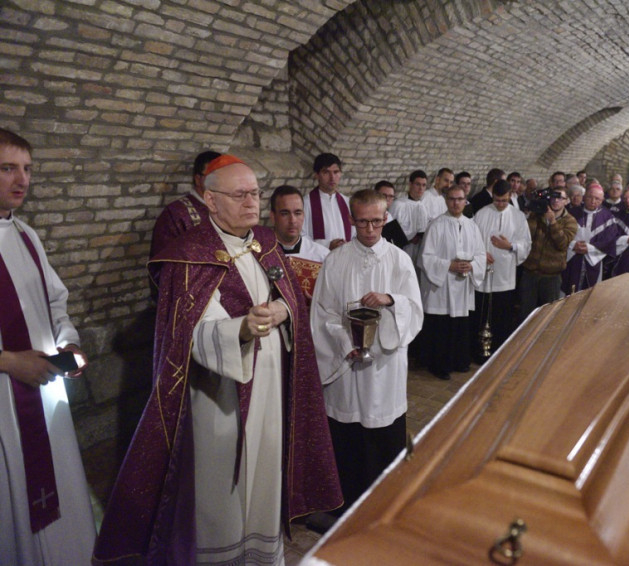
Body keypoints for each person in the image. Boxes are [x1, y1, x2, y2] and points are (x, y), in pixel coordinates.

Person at [94, 155, 341, 565]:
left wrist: (284, 311)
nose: (251, 202)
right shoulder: (188, 255)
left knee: (266, 470)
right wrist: (242, 329)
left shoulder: (266, 242)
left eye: (255, 193)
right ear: (211, 200)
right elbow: (188, 334)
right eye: (240, 194)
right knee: (222, 485)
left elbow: (292, 299)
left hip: (271, 387)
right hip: (218, 395)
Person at [0, 128, 96, 565]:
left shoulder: (25, 235)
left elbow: (54, 300)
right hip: (6, 402)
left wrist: (67, 341)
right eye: (7, 168)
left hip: (42, 392)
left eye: (27, 169)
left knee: (57, 489)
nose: (22, 179)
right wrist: (8, 361)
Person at [311, 189, 423, 514]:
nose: (370, 229)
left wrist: (391, 300)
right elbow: (322, 314)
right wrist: (346, 343)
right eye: (362, 222)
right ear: (351, 220)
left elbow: (415, 311)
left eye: (376, 221)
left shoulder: (399, 260)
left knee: (382, 436)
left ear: (386, 218)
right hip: (345, 365)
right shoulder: (335, 260)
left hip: (384, 367)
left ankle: (382, 506)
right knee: (347, 438)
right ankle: (343, 506)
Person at [418, 185, 486, 380]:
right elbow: (425, 257)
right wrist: (449, 265)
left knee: (460, 324)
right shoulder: (436, 225)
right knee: (442, 325)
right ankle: (439, 365)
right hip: (442, 286)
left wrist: (472, 265)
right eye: (452, 199)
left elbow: (481, 254)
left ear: (465, 201)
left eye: (460, 199)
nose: (456, 203)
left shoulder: (472, 226)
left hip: (462, 285)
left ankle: (459, 360)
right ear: (446, 201)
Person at [473, 180, 531, 353]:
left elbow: (526, 244)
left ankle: (499, 351)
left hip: (505, 275)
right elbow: (472, 240)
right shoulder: (482, 214)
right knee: (482, 313)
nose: (500, 204)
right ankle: (479, 351)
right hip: (484, 274)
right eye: (497, 200)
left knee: (502, 316)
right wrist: (481, 254)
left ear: (510, 196)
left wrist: (510, 246)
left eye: (504, 201)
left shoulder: (518, 216)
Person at [519, 186, 578, 320]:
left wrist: (552, 222)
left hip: (551, 276)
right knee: (525, 314)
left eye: (560, 198)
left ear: (566, 201)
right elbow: (527, 235)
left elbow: (562, 244)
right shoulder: (538, 214)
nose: (556, 201)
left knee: (548, 316)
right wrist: (534, 214)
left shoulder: (570, 221)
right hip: (530, 273)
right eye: (553, 197)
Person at [149, 150, 221, 260]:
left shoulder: (228, 208)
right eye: (212, 176)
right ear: (198, 179)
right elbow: (163, 261)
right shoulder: (175, 214)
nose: (219, 181)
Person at [561, 183, 619, 294]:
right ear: (584, 197)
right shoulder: (572, 213)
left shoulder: (608, 217)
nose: (593, 201)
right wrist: (573, 245)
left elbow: (609, 241)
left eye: (597, 199)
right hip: (572, 260)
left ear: (602, 200)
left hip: (593, 262)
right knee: (567, 292)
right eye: (590, 197)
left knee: (590, 294)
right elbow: (562, 234)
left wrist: (589, 248)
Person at [302, 152, 354, 250]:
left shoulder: (348, 202)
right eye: (326, 172)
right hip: (318, 256)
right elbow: (301, 236)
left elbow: (355, 234)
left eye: (336, 172)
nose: (332, 177)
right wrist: (327, 245)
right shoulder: (306, 203)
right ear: (317, 175)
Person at [270, 184, 329, 263]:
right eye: (285, 213)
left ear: (303, 215)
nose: (292, 221)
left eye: (297, 213)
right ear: (273, 216)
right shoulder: (261, 255)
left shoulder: (322, 255)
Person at [373, 181, 409, 249]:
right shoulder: (366, 213)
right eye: (384, 195)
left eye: (391, 196)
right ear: (375, 195)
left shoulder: (388, 215)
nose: (387, 199)